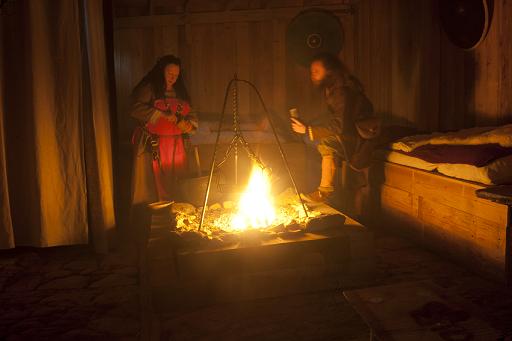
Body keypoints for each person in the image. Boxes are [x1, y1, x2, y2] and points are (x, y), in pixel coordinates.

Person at [291, 53, 374, 203]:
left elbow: (340, 126)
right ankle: (323, 192)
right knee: (312, 140)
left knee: (323, 143)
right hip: (351, 130)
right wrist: (309, 128)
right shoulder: (334, 88)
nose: (312, 75)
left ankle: (324, 192)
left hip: (360, 135)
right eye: (311, 72)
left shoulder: (341, 91)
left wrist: (308, 130)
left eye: (316, 71)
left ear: (329, 71)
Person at [129, 55, 198, 207]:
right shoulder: (149, 88)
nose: (173, 78)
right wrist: (161, 114)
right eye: (169, 74)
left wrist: (185, 124)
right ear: (161, 71)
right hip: (153, 144)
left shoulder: (180, 93)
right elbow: (134, 108)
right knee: (154, 185)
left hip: (177, 145)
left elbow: (192, 118)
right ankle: (155, 218)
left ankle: (178, 215)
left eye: (176, 75)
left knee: (176, 182)